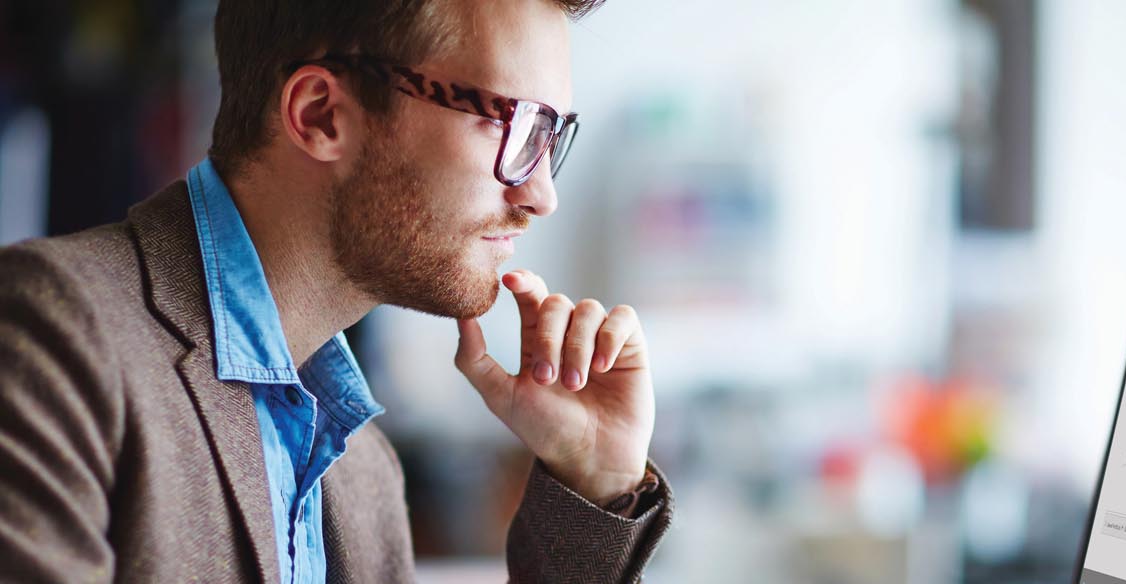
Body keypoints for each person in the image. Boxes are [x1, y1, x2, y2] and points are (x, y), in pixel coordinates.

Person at [0, 0, 673, 581]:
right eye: (515, 124)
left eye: (550, 136)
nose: (541, 194)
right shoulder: (49, 339)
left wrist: (596, 486)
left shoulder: (361, 473)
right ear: (321, 114)